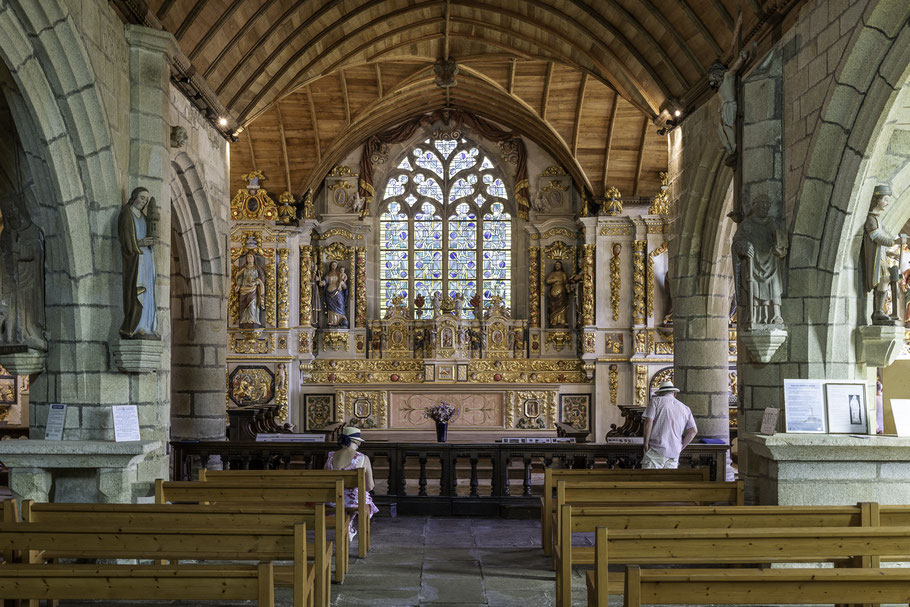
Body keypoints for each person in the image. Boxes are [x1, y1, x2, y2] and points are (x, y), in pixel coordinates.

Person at [730, 195, 787, 329]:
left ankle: (775, 314)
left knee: (774, 285)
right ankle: (754, 315)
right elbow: (736, 243)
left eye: (766, 206)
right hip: (753, 264)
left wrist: (779, 248)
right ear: (754, 206)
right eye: (760, 205)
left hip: (770, 262)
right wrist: (744, 247)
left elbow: (780, 242)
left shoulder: (771, 224)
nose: (763, 208)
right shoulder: (747, 225)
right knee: (753, 286)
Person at [325, 426, 378, 540]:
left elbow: (325, 479)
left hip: (333, 499)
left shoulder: (331, 456)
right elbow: (370, 486)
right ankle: (348, 526)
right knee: (363, 498)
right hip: (353, 500)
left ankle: (347, 525)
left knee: (343, 500)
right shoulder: (363, 458)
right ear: (356, 442)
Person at [119, 187, 158, 338]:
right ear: (134, 196)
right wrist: (139, 243)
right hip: (135, 259)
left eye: (146, 200)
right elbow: (126, 241)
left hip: (146, 257)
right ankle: (136, 326)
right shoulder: (127, 214)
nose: (144, 201)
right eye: (142, 198)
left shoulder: (143, 216)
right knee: (137, 291)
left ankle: (147, 326)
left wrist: (150, 242)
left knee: (148, 292)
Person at [862, 185, 900, 324]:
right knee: (884, 278)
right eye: (885, 199)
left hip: (881, 256)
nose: (887, 202)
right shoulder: (871, 219)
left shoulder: (877, 218)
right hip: (875, 258)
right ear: (877, 200)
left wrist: (890, 251)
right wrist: (893, 242)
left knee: (887, 278)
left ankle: (879, 311)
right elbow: (876, 238)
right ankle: (878, 311)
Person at [642, 381, 698, 469]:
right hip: (674, 452)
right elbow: (693, 431)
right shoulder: (685, 408)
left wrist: (645, 443)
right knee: (669, 481)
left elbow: (649, 422)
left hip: (656, 449)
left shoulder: (656, 401)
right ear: (674, 393)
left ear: (660, 393)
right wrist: (681, 447)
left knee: (650, 480)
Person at [545, 260, 579, 328]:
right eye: (556, 265)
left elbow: (566, 283)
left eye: (559, 264)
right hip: (553, 291)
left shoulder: (563, 274)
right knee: (553, 307)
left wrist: (568, 289)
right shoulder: (552, 273)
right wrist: (555, 280)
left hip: (562, 292)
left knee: (562, 307)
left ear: (561, 266)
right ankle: (553, 321)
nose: (557, 266)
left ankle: (562, 320)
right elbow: (547, 281)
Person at [237, 252, 265, 329]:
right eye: (248, 257)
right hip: (244, 288)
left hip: (253, 288)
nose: (249, 258)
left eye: (251, 257)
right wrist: (238, 285)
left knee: (252, 304)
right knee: (244, 304)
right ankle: (245, 319)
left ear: (253, 258)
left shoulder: (257, 268)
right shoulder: (244, 268)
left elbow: (261, 278)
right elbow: (240, 278)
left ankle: (253, 319)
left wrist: (255, 283)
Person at [322, 261, 348, 327]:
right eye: (333, 265)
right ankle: (332, 321)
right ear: (330, 266)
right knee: (331, 308)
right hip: (329, 293)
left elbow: (344, 283)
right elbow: (325, 281)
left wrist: (343, 284)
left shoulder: (339, 273)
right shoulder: (328, 274)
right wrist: (322, 283)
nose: (334, 266)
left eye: (335, 265)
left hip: (338, 292)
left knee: (340, 304)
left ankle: (340, 321)